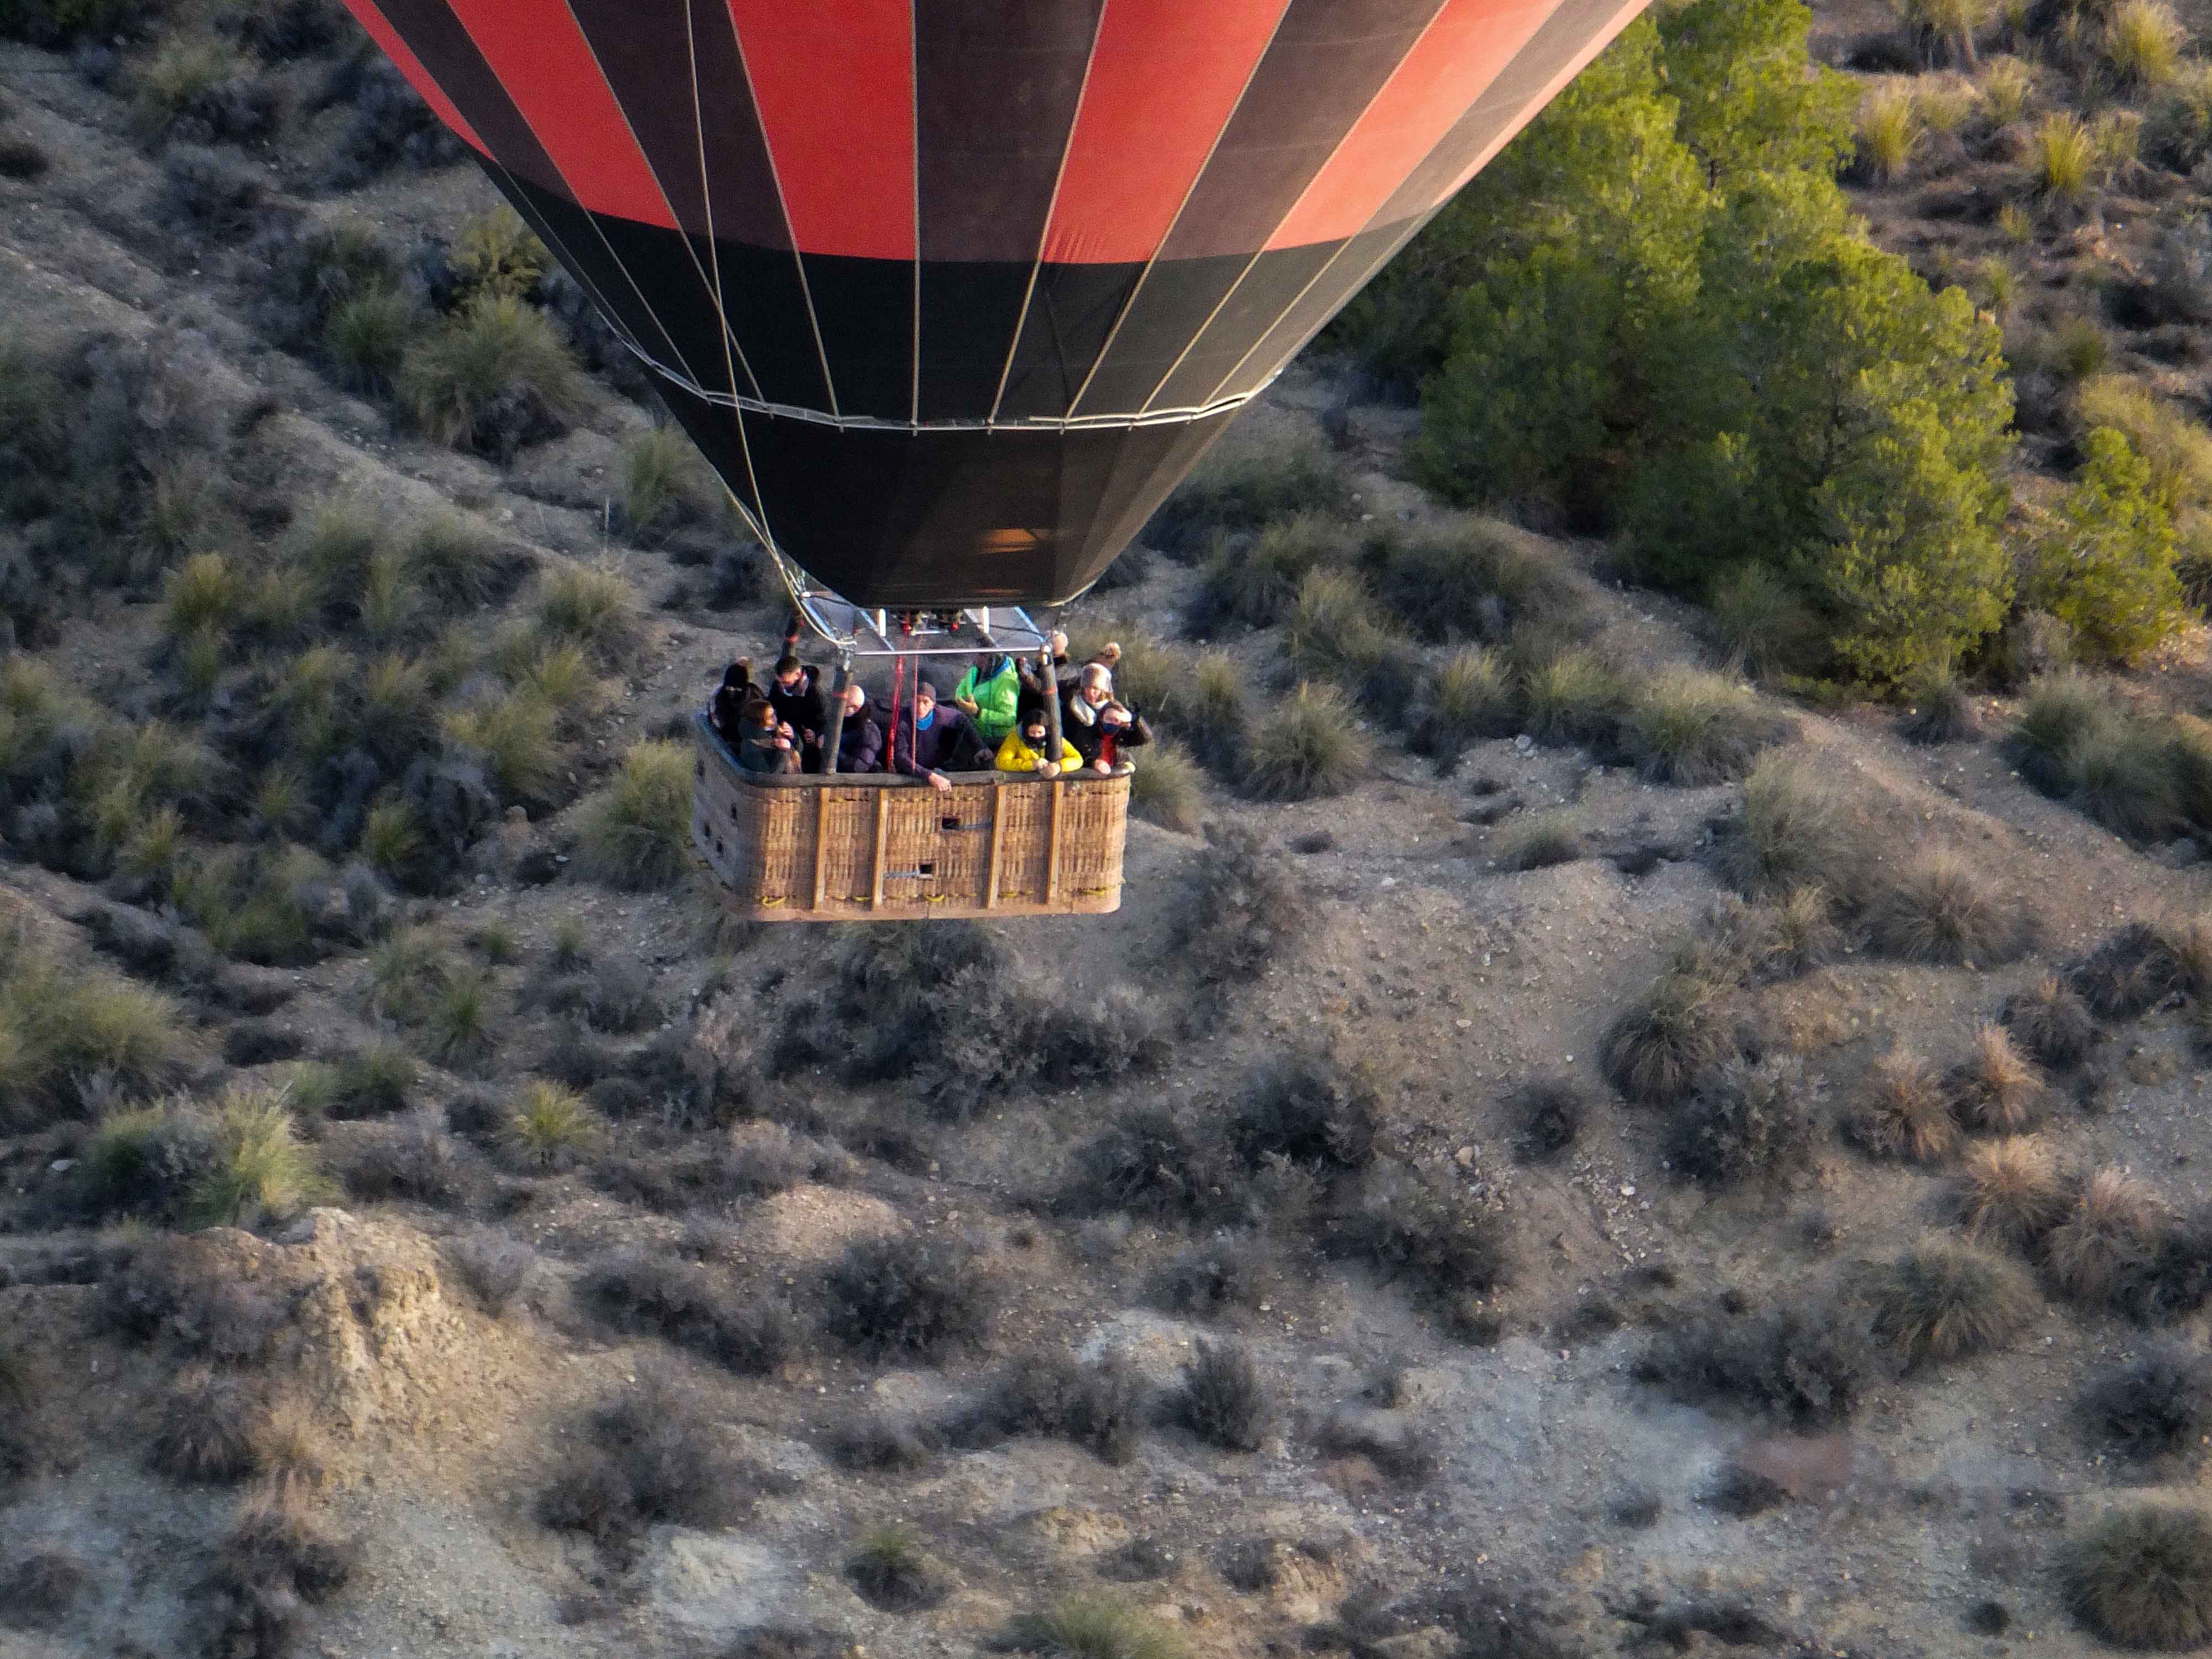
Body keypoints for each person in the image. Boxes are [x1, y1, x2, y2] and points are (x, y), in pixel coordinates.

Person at [888, 678, 982, 792]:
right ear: (912, 701)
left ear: (933, 705)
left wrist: (981, 747)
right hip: (911, 772)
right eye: (917, 700)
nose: (920, 707)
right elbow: (901, 757)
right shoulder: (903, 719)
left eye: (925, 702)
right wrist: (929, 775)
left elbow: (963, 720)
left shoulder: (942, 715)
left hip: (936, 768)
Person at [1061, 663, 1151, 775]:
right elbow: (1075, 742)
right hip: (1085, 768)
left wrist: (1133, 719)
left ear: (1103, 690)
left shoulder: (1113, 708)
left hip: (1113, 763)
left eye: (1095, 688)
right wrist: (1092, 761)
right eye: (1087, 687)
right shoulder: (1073, 710)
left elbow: (1143, 739)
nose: (1091, 692)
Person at [766, 654, 830, 773]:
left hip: (802, 739)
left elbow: (822, 721)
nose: (783, 686)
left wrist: (814, 733)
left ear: (798, 675)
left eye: (786, 683)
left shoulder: (815, 694)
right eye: (780, 682)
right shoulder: (778, 686)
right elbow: (772, 703)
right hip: (782, 730)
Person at [951, 648, 1021, 747]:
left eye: (980, 655)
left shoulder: (1007, 683)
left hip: (996, 740)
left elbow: (1009, 719)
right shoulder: (976, 670)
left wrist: (978, 713)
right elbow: (962, 688)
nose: (975, 657)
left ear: (991, 661)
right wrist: (962, 700)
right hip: (973, 728)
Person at [995, 697, 1081, 778]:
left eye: (1040, 732)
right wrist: (1031, 764)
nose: (1036, 736)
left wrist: (1059, 766)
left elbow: (1078, 759)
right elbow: (1001, 762)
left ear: (1046, 731)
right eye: (1032, 732)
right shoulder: (1016, 737)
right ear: (1026, 731)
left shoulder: (1055, 738)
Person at [734, 698, 797, 774]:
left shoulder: (776, 732)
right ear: (760, 721)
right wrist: (782, 751)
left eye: (774, 714)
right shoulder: (751, 746)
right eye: (771, 717)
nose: (776, 718)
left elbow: (799, 754)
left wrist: (794, 738)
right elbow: (767, 778)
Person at [833, 681, 883, 774]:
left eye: (844, 707)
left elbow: (859, 767)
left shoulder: (869, 732)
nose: (840, 711)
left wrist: (833, 749)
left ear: (856, 708)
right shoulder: (841, 720)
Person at [708, 660, 759, 739]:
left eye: (737, 688)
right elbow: (714, 714)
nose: (732, 691)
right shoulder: (720, 695)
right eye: (729, 687)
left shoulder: (755, 696)